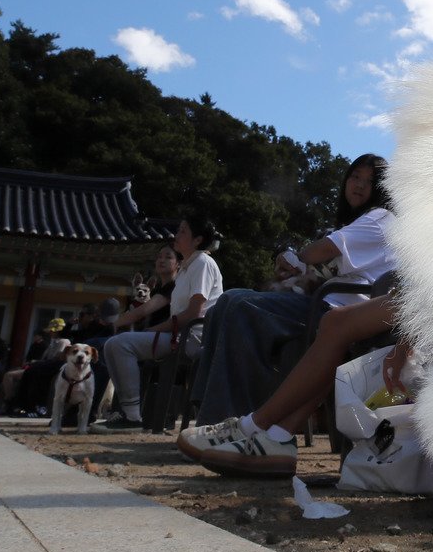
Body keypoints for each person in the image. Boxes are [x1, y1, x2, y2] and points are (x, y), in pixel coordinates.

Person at [190, 154, 396, 426]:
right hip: (321, 303)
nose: (359, 185)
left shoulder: (381, 218)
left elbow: (321, 251)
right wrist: (293, 264)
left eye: (369, 181)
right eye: (355, 177)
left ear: (381, 188)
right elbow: (319, 265)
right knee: (227, 301)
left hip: (336, 311)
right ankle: (207, 410)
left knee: (241, 306)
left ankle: (229, 420)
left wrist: (296, 257)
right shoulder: (358, 222)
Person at [177, 290, 399, 476]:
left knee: (334, 323)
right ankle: (275, 437)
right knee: (333, 325)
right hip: (415, 293)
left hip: (421, 296)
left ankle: (254, 428)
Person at [94, 214, 225, 432]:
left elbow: (194, 312)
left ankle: (132, 416)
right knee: (113, 345)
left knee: (120, 344)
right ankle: (129, 412)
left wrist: (154, 329)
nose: (177, 234)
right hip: (180, 335)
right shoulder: (185, 269)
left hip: (195, 338)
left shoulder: (202, 263)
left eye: (183, 231)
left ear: (197, 240)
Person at [84, 245, 181, 419]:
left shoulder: (174, 287)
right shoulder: (158, 289)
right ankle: (107, 409)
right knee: (101, 347)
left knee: (97, 347)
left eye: (168, 257)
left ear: (178, 264)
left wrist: (112, 325)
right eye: (159, 256)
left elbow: (141, 312)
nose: (161, 260)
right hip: (149, 337)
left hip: (165, 338)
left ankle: (112, 410)